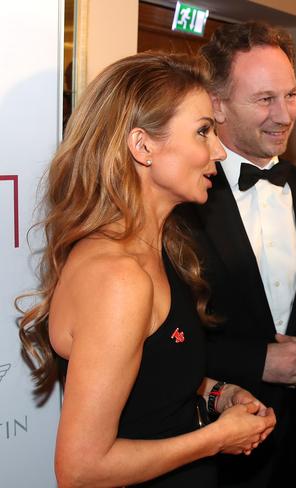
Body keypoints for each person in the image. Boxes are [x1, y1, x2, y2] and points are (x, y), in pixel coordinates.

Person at [16, 52, 276, 487]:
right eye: (203, 131)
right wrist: (214, 439)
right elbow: (80, 470)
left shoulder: (159, 248)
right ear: (142, 146)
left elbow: (153, 376)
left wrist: (217, 394)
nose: (218, 150)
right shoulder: (119, 278)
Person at [179, 22, 296, 488]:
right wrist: (258, 362)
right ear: (218, 104)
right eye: (264, 99)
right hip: (208, 439)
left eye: (291, 95)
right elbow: (163, 335)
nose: (284, 114)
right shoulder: (182, 201)